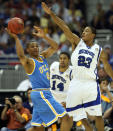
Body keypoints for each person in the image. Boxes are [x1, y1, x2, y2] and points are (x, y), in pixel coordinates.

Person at [42, 2, 113, 131]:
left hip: (91, 83)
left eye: (87, 31)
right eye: (83, 31)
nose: (83, 33)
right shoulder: (77, 42)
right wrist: (52, 14)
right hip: (75, 83)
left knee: (97, 115)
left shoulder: (98, 49)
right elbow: (64, 27)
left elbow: (107, 66)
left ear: (93, 35)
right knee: (69, 115)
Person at [6, 26, 68, 131]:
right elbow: (21, 56)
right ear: (28, 50)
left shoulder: (42, 56)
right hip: (41, 93)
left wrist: (44, 36)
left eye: (36, 46)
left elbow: (55, 46)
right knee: (65, 117)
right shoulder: (29, 62)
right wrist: (16, 39)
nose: (35, 48)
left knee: (37, 127)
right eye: (32, 46)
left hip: (43, 93)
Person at [50, 51, 73, 130]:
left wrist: (68, 102)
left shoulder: (72, 72)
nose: (62, 60)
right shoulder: (54, 65)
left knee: (67, 120)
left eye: (64, 58)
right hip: (52, 100)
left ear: (69, 60)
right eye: (61, 58)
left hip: (64, 102)